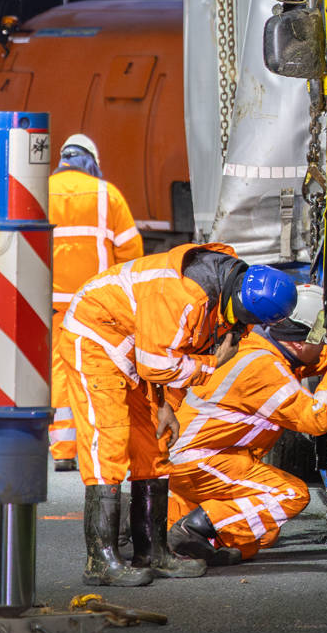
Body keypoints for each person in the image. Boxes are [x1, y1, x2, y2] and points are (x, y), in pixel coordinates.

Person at [56, 242, 296, 586]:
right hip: (98, 339)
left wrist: (167, 405)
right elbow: (158, 363)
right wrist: (213, 365)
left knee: (153, 448)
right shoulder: (186, 296)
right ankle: (100, 561)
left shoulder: (229, 298)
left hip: (137, 351)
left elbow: (177, 348)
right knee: (107, 442)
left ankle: (152, 552)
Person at [164, 284, 327, 566]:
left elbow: (314, 357)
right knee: (288, 494)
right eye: (321, 337)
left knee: (262, 532)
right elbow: (316, 419)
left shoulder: (260, 346)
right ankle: (196, 528)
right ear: (300, 341)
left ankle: (160, 523)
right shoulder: (264, 370)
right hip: (198, 460)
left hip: (192, 457)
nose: (324, 343)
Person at [45, 134, 143, 471]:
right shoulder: (108, 195)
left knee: (59, 369)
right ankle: (104, 450)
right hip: (96, 308)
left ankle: (63, 449)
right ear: (91, 160)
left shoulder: (41, 192)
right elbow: (130, 254)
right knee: (99, 372)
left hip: (54, 303)